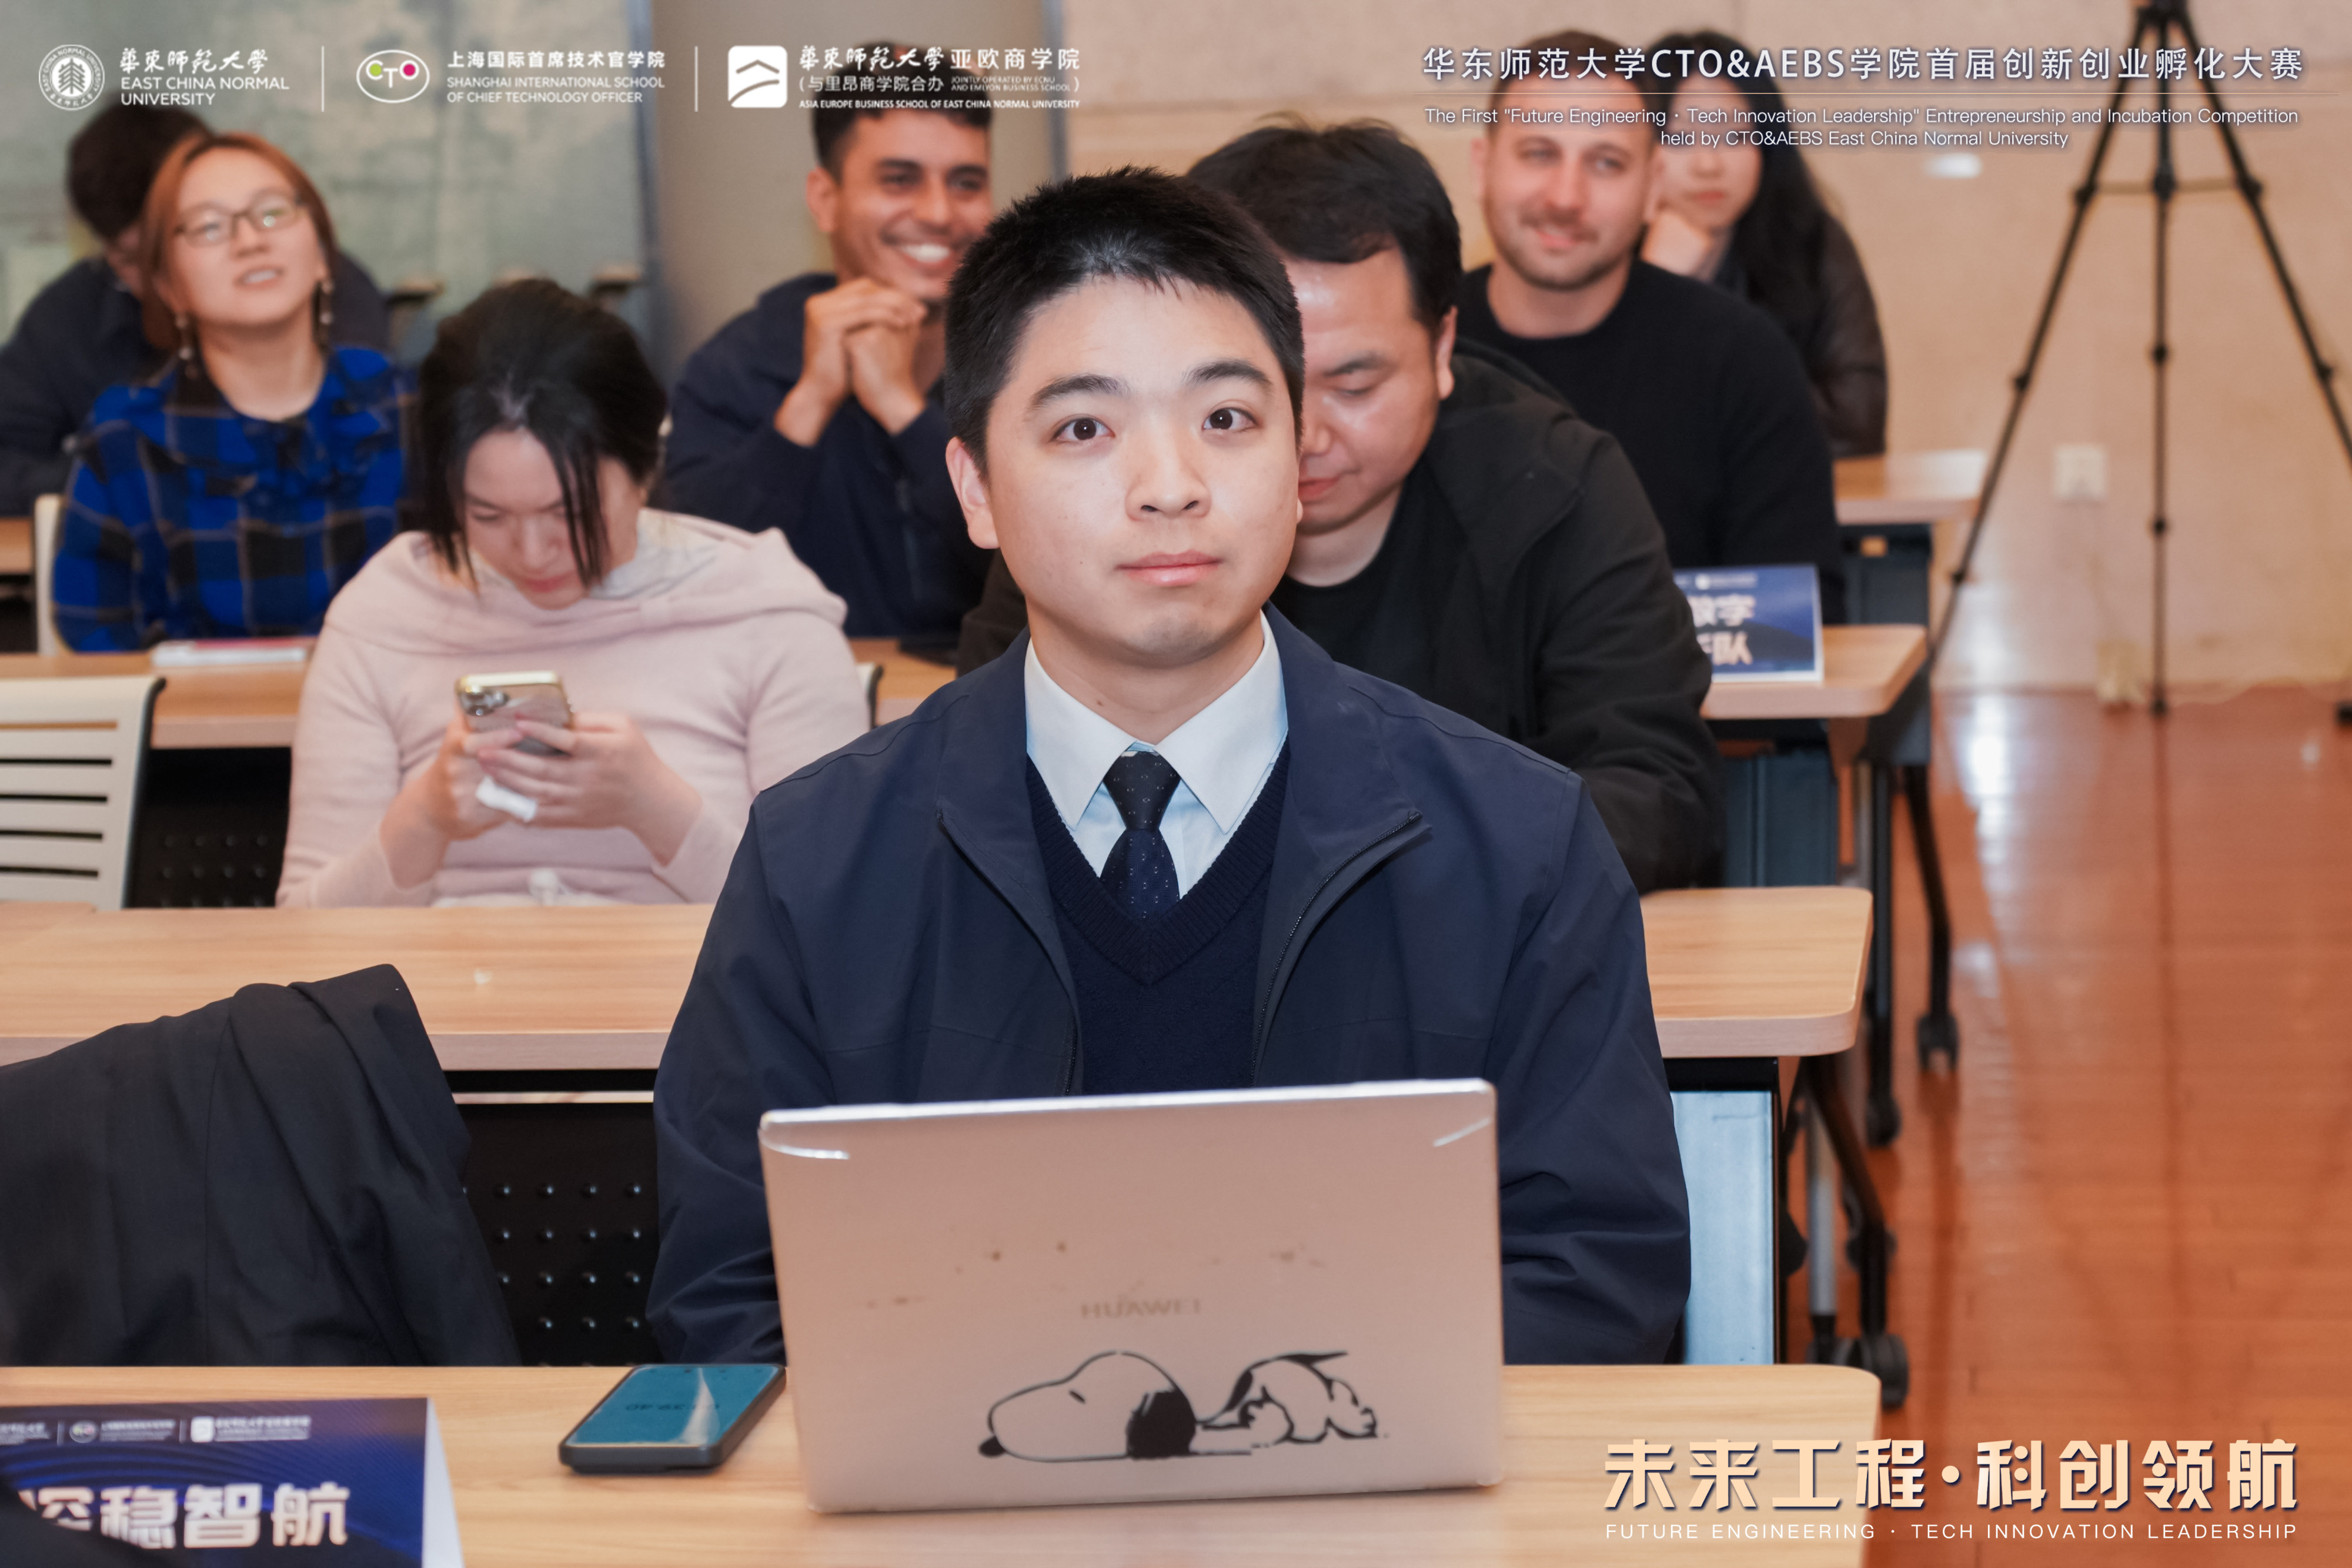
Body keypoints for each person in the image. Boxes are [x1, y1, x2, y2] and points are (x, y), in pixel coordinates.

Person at [649, 169, 1689, 1366]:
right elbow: (729, 1293)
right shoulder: (816, 861)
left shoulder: (1519, 847)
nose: (1171, 485)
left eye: (1227, 419)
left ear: (1295, 455)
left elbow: (1596, 1276)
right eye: (1083, 429)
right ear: (975, 489)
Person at [956, 122, 1720, 891]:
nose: (1307, 435)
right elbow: (987, 773)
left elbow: (1657, 790)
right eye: (1235, 406)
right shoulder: (1096, 523)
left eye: (1354, 385)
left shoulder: (1553, 488)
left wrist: (1369, 879)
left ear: (1442, 348)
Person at [276, 280, 868, 908]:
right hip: (442, 972)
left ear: (646, 468)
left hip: (683, 974)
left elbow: (834, 924)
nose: (532, 553)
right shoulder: (385, 613)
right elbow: (304, 929)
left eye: (568, 513)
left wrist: (656, 809)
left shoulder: (767, 611)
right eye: (487, 515)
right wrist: (424, 818)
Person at [1454, 31, 1846, 621]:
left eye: (1606, 163)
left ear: (1652, 186)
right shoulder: (1413, 347)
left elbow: (1789, 624)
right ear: (1482, 167)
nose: (1566, 197)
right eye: (1538, 153)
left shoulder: (1741, 357)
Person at [660, 48, 993, 646]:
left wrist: (905, 413)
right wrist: (809, 404)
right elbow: (685, 582)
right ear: (825, 200)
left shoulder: (1023, 359)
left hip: (993, 692)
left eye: (966, 183)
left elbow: (1053, 561)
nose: (940, 213)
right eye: (899, 179)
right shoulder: (737, 367)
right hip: (803, 695)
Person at [49, 131, 403, 650]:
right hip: (187, 707)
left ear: (324, 254)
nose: (250, 241)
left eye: (272, 212)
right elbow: (95, 639)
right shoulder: (122, 439)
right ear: (168, 285)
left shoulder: (408, 407)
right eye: (210, 227)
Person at [0, 103, 388, 517]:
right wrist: (113, 476)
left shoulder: (302, 287)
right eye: (132, 261)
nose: (159, 276)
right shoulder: (72, 324)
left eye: (208, 229)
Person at [1642, 31, 1888, 457]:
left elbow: (1858, 418)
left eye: (1733, 135)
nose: (1708, 164)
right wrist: (1652, 287)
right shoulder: (1600, 248)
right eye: (1682, 136)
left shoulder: (1812, 241)